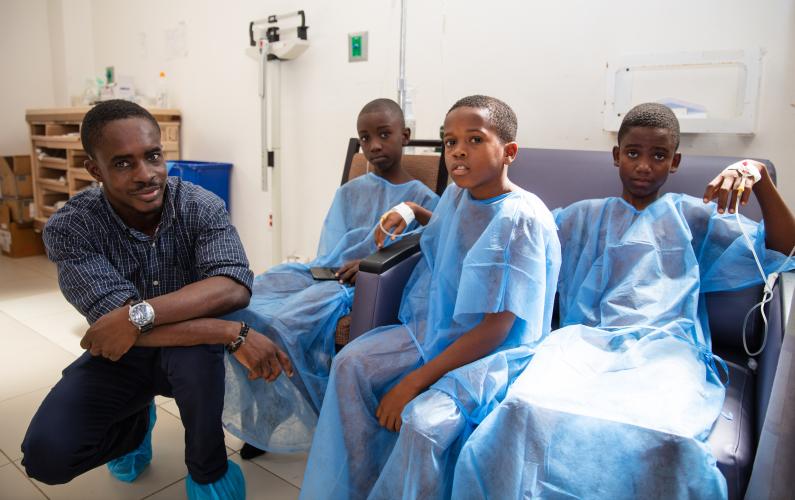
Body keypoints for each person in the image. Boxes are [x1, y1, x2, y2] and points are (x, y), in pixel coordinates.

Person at [451, 102, 795, 499]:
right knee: (522, 410)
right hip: (581, 346)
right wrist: (419, 213)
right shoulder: (580, 217)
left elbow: (784, 248)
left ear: (675, 162)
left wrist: (760, 177)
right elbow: (506, 229)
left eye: (659, 156)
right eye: (633, 153)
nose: (645, 166)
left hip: (666, 350)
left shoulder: (692, 218)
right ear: (616, 157)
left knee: (666, 434)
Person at [20, 100, 293, 499]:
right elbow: (111, 330)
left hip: (190, 355)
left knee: (195, 358)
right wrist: (227, 331)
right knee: (46, 457)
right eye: (123, 163)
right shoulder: (72, 227)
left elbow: (232, 284)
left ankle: (207, 470)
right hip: (123, 358)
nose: (146, 175)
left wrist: (137, 316)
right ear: (95, 170)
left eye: (152, 156)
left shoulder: (198, 205)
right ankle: (133, 428)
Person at [299, 95, 561, 499]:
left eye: (474, 140)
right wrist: (409, 210)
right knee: (350, 364)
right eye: (449, 141)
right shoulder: (460, 195)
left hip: (492, 352)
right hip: (436, 325)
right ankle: (360, 484)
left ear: (508, 151)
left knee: (425, 424)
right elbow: (444, 228)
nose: (458, 151)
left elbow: (496, 329)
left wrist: (415, 382)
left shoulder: (517, 221)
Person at [222, 98, 440, 457]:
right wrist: (330, 268)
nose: (374, 146)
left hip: (364, 285)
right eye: (365, 137)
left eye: (384, 135)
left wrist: (369, 262)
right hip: (325, 272)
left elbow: (423, 254)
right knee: (247, 297)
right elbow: (329, 249)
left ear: (405, 136)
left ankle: (291, 411)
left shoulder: (421, 199)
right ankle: (264, 408)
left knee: (285, 324)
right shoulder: (349, 192)